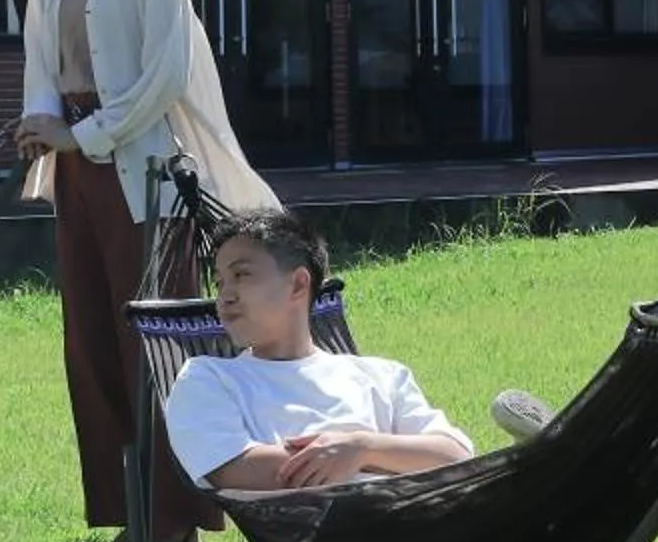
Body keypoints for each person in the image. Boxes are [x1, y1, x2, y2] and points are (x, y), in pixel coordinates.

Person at [15, 0, 275, 542]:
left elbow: (166, 74)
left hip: (144, 171)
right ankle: (130, 517)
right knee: (91, 343)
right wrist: (41, 122)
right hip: (74, 165)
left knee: (152, 351)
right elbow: (39, 50)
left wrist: (86, 134)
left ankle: (174, 530)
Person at [164, 209, 477, 491]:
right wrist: (392, 459)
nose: (225, 295)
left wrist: (360, 447)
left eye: (241, 275)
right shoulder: (208, 379)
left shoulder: (382, 375)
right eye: (219, 282)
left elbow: (456, 456)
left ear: (299, 285)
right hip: (325, 538)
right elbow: (234, 468)